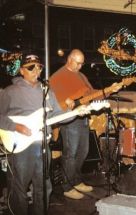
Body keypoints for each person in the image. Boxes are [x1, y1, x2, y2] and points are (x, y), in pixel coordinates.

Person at [0, 54, 84, 215]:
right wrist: (16, 126)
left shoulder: (46, 91)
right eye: (31, 67)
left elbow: (58, 115)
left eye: (38, 67)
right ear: (21, 70)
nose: (36, 70)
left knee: (44, 187)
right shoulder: (10, 92)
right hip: (21, 145)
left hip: (42, 145)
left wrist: (75, 112)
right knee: (19, 189)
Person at [49, 49, 98, 200]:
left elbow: (90, 92)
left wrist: (108, 91)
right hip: (69, 120)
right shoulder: (58, 76)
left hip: (83, 117)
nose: (80, 66)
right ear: (69, 59)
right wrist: (70, 103)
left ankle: (75, 180)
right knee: (71, 153)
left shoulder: (81, 75)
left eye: (82, 63)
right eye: (78, 63)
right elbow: (56, 101)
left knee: (84, 151)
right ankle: (67, 186)